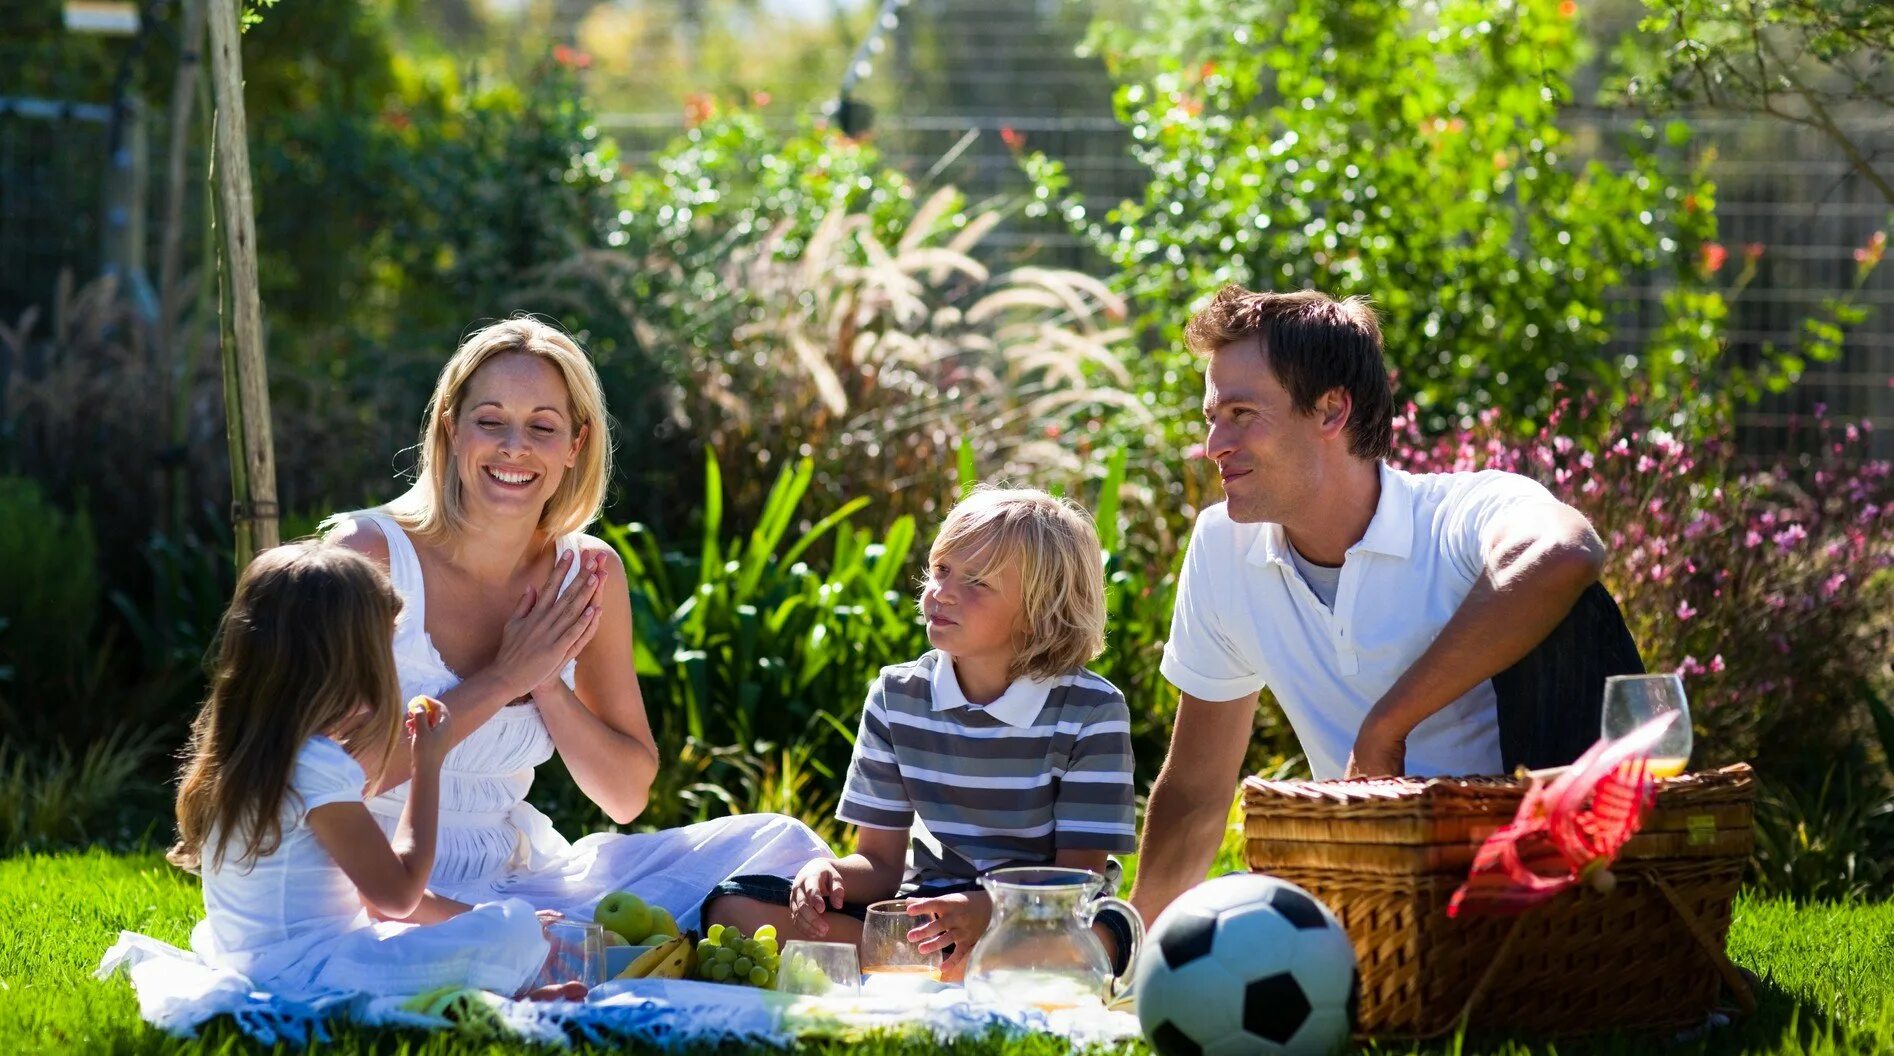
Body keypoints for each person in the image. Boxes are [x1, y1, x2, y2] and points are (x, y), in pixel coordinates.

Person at [323, 317, 830, 932]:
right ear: (453, 430)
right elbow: (334, 777)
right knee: (538, 942)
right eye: (490, 421)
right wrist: (507, 675)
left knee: (776, 841)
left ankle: (912, 951)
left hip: (517, 877)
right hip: (370, 881)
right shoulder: (367, 556)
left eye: (543, 426)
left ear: (575, 446)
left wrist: (547, 685)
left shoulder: (585, 574)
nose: (515, 446)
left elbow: (624, 796)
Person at [1129, 286, 1609, 925]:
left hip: (1530, 898)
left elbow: (1567, 555)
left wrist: (1385, 728)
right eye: (1213, 415)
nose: (1214, 443)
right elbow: (1194, 789)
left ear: (1331, 411)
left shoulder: (1460, 515)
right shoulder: (1223, 544)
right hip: (1371, 904)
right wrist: (1129, 947)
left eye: (1243, 413)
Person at [703, 488, 1139, 981]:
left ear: (1044, 608)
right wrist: (829, 877)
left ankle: (947, 965)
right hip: (926, 912)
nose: (942, 592)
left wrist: (989, 911)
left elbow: (1077, 879)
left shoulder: (1092, 710)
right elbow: (879, 863)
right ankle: (959, 968)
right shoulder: (897, 695)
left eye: (976, 581)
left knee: (1102, 932)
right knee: (735, 906)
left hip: (1045, 915)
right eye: (941, 569)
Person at [160, 541, 553, 998]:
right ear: (350, 666)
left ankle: (507, 991)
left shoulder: (249, 756)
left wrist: (475, 915)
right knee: (513, 933)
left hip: (265, 962)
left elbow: (370, 897)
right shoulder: (318, 766)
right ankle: (502, 990)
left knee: (494, 926)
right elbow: (399, 896)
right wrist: (428, 762)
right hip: (312, 978)